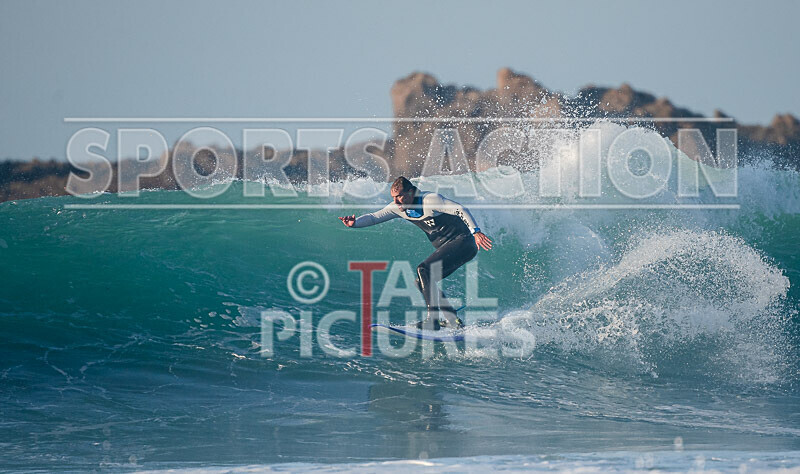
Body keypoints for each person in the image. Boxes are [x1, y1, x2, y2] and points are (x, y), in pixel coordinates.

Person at [339, 177, 492, 330]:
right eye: (393, 197)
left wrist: (476, 232)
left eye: (399, 196)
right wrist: (355, 223)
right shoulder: (399, 208)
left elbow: (460, 209)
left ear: (411, 192)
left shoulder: (430, 200)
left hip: (463, 243)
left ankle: (432, 320)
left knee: (423, 269)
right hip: (451, 247)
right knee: (421, 281)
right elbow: (374, 217)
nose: (397, 202)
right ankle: (452, 318)